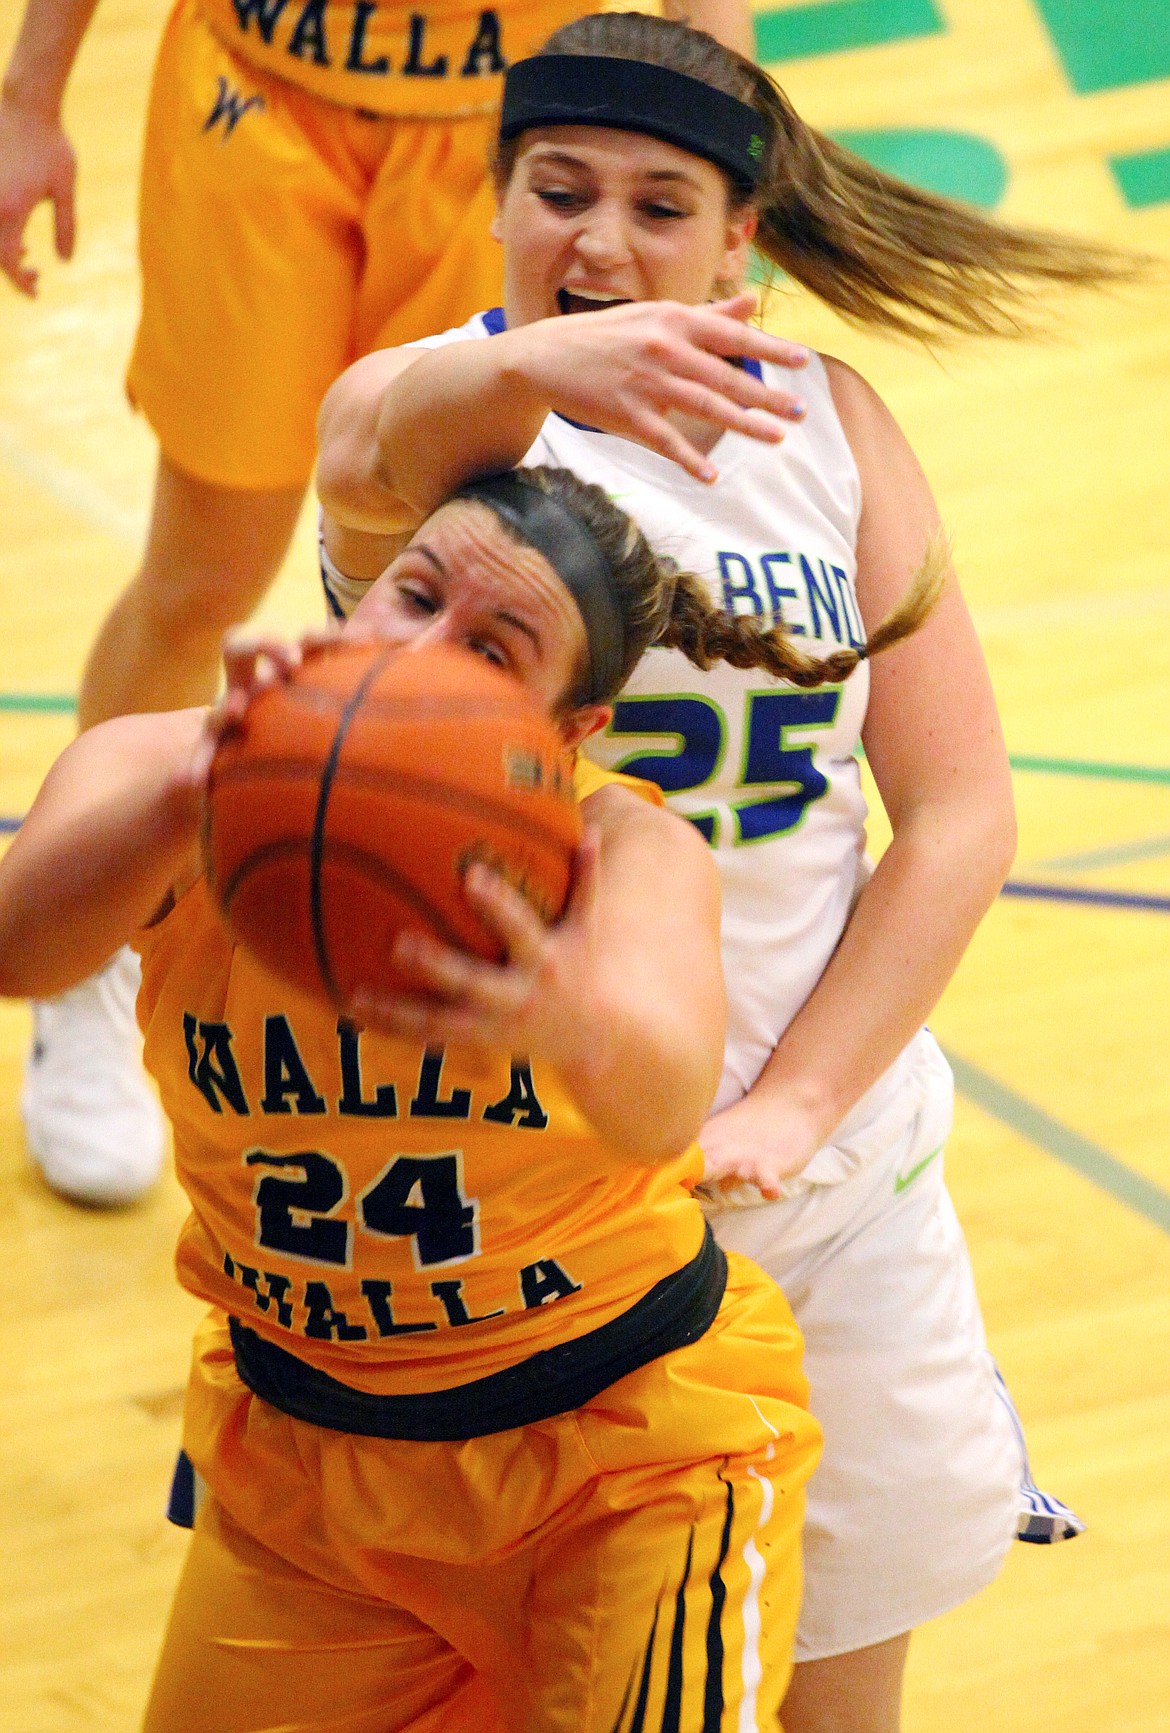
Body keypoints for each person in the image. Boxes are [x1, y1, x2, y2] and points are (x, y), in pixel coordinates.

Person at [312, 14, 1131, 1729]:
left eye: (658, 205)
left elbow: (961, 808)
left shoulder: (830, 419)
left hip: (818, 1180)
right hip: (529, 1200)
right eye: (559, 192)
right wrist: (554, 375)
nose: (599, 242)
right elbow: (387, 431)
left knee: (843, 1683)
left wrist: (798, 1104)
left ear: (739, 232)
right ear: (499, 198)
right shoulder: (430, 430)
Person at [0, 461, 936, 1728]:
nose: (424, 654)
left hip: (617, 1456)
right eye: (414, 595)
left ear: (568, 732)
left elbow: (663, 1101)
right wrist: (194, 794)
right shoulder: (168, 765)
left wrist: (565, 1012)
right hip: (308, 1458)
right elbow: (20, 952)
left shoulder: (624, 850)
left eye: (494, 648)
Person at [0, 0, 754, 1205]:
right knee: (204, 579)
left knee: (504, 579)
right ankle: (111, 937)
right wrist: (30, 95)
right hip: (260, 95)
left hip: (496, 129)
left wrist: (720, 164)